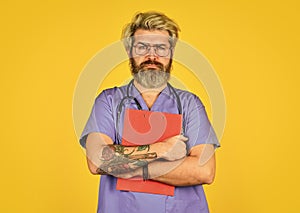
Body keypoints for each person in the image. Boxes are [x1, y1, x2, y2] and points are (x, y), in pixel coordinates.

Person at [80, 11, 220, 213]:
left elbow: (205, 170)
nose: (152, 56)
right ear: (129, 51)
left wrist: (128, 167)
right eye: (142, 47)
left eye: (161, 48)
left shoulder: (190, 104)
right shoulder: (109, 101)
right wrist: (162, 149)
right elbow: (96, 160)